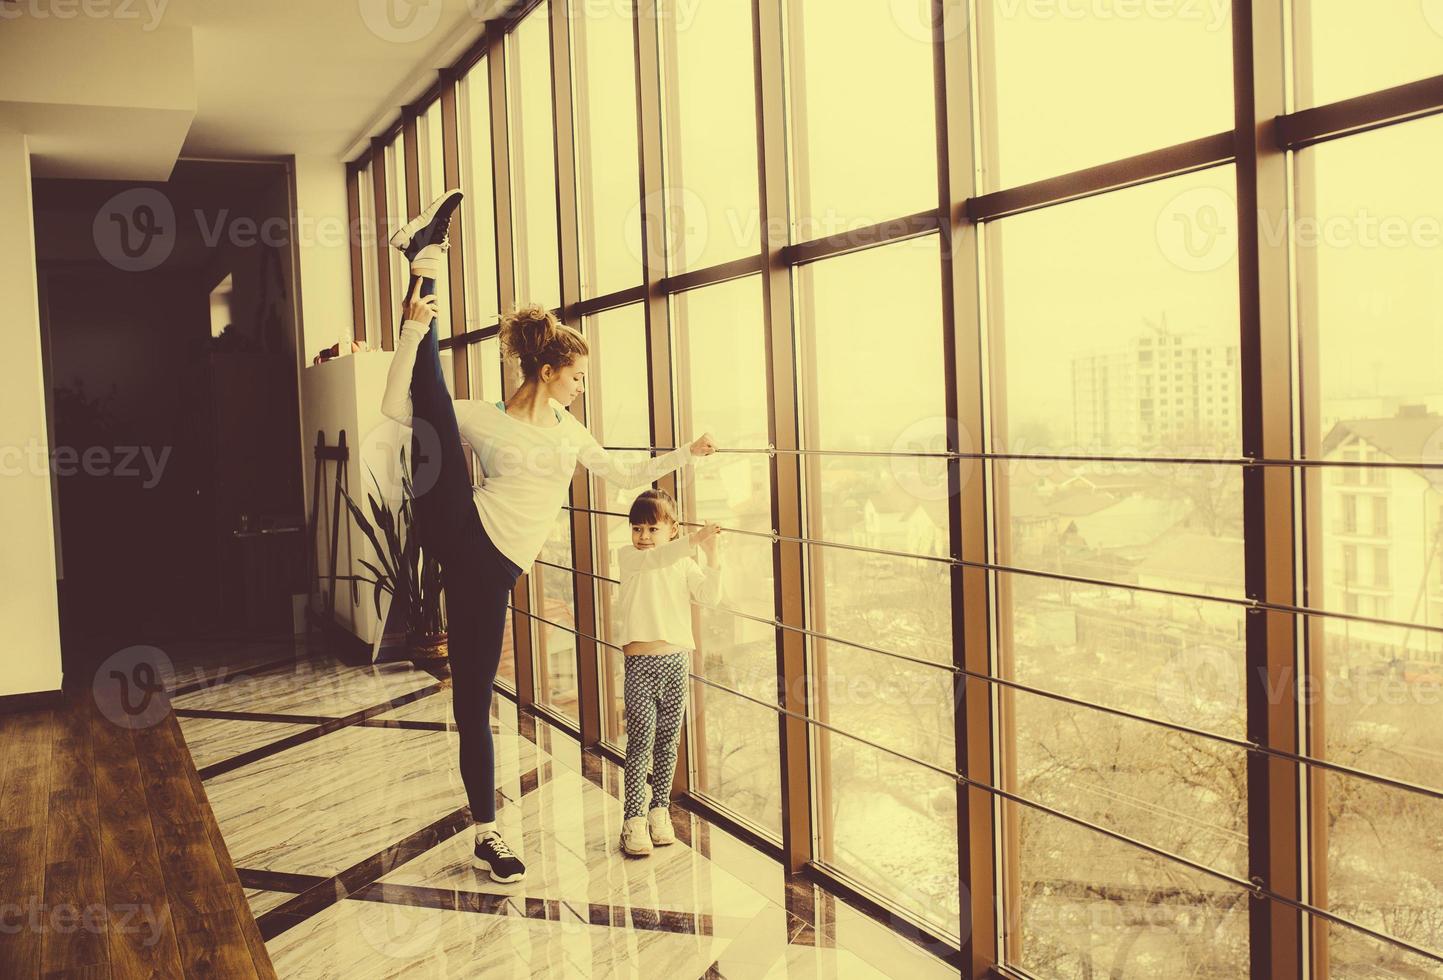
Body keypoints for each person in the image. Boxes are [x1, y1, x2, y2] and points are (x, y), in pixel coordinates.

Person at [379, 190, 718, 883]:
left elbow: (618, 471)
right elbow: (395, 407)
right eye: (576, 377)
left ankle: (488, 833)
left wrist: (685, 454)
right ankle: (426, 270)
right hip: (458, 525)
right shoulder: (489, 420)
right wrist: (413, 332)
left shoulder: (568, 431)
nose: (581, 389)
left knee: (473, 698)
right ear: (546, 372)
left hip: (493, 570)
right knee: (436, 412)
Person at [613, 488, 722, 857]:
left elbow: (709, 597)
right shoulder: (630, 558)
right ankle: (633, 819)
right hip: (640, 665)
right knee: (640, 740)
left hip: (677, 663)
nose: (643, 537)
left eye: (652, 529)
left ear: (671, 529)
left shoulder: (682, 563)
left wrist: (712, 556)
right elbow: (658, 559)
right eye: (637, 528)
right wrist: (695, 539)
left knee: (667, 743)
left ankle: (660, 811)